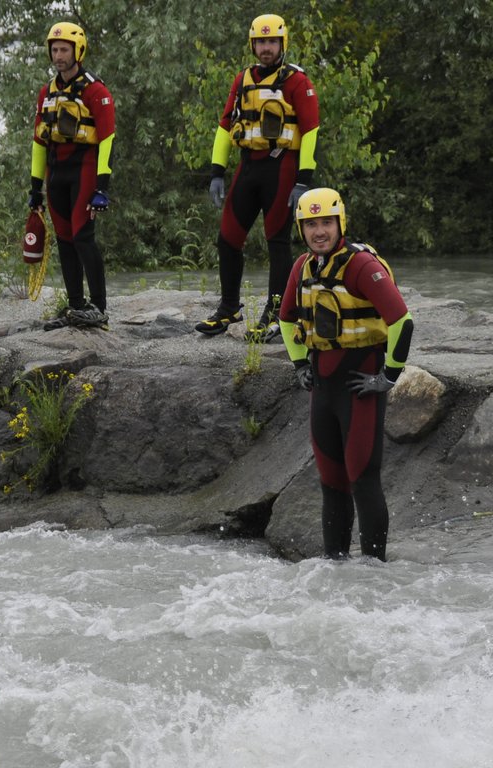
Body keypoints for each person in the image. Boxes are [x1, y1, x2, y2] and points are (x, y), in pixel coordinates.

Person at [278, 187, 413, 561]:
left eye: (325, 223)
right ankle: (334, 570)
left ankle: (373, 571)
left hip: (361, 384)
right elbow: (287, 319)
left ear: (340, 224)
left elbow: (402, 320)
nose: (319, 232)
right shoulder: (302, 267)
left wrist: (389, 375)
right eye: (310, 224)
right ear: (301, 228)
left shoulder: (361, 266)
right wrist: (300, 364)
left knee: (363, 480)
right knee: (332, 484)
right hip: (322, 386)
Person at [196, 13, 319, 339]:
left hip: (281, 168)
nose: (266, 48)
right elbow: (225, 126)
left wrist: (303, 180)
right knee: (228, 238)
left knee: (277, 241)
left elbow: (310, 131)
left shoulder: (297, 81)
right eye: (261, 42)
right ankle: (229, 309)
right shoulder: (243, 79)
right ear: (254, 45)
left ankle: (278, 314)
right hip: (248, 167)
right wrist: (217, 173)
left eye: (272, 42)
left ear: (282, 44)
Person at [30, 21, 116, 331]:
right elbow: (39, 142)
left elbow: (106, 138)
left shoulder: (95, 90)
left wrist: (102, 187)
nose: (58, 55)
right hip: (56, 174)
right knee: (66, 241)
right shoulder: (47, 92)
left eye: (64, 49)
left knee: (83, 237)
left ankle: (100, 308)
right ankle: (77, 306)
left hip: (85, 170)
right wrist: (34, 188)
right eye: (54, 49)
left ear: (78, 51)